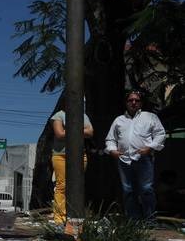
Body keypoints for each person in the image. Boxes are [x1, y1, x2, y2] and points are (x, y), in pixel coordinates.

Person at [105, 91, 166, 220]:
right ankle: (134, 221)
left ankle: (149, 220)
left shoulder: (150, 117)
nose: (133, 103)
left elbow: (160, 134)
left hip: (143, 159)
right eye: (130, 100)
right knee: (128, 191)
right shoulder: (119, 120)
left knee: (146, 189)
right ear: (126, 103)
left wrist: (150, 148)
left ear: (141, 103)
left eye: (136, 100)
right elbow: (110, 139)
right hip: (124, 160)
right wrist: (112, 150)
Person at [49, 107, 94, 224]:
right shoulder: (59, 115)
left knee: (77, 185)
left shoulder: (82, 115)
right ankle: (59, 218)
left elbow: (90, 132)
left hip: (79, 154)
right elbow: (59, 134)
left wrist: (69, 130)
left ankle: (75, 215)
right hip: (61, 155)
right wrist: (79, 129)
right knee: (62, 185)